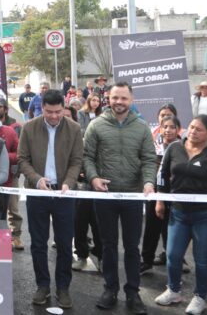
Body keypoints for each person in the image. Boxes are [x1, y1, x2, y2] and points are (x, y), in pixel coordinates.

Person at [82, 82, 157, 314]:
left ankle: (133, 292)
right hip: (105, 196)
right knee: (108, 245)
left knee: (132, 247)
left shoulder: (142, 127)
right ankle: (110, 289)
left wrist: (148, 182)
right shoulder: (96, 125)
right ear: (108, 99)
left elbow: (148, 159)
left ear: (131, 100)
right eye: (115, 98)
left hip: (133, 196)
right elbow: (87, 157)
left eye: (124, 98)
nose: (119, 102)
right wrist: (93, 178)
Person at [154, 115, 207, 315]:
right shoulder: (174, 148)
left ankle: (200, 297)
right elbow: (162, 174)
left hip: (205, 216)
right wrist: (161, 200)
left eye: (199, 129)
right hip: (178, 213)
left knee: (202, 259)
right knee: (172, 255)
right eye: (192, 127)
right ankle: (173, 290)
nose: (193, 132)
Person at [18, 89, 84, 308]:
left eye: (58, 112)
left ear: (64, 107)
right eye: (49, 112)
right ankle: (43, 286)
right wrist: (36, 179)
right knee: (38, 243)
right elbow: (22, 160)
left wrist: (69, 182)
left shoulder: (74, 129)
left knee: (65, 244)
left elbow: (76, 161)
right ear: (42, 108)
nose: (54, 116)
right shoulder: (29, 128)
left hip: (64, 193)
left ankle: (63, 288)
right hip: (38, 193)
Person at [141, 114, 182, 272]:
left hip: (175, 194)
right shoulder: (152, 146)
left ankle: (173, 259)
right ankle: (147, 261)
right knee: (151, 227)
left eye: (172, 127)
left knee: (171, 229)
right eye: (165, 127)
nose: (168, 130)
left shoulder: (183, 148)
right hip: (154, 192)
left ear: (178, 129)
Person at [72, 93, 105, 272]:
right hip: (82, 187)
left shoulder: (106, 144)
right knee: (80, 223)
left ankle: (101, 258)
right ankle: (82, 256)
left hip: (100, 190)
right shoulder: (81, 143)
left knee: (99, 224)